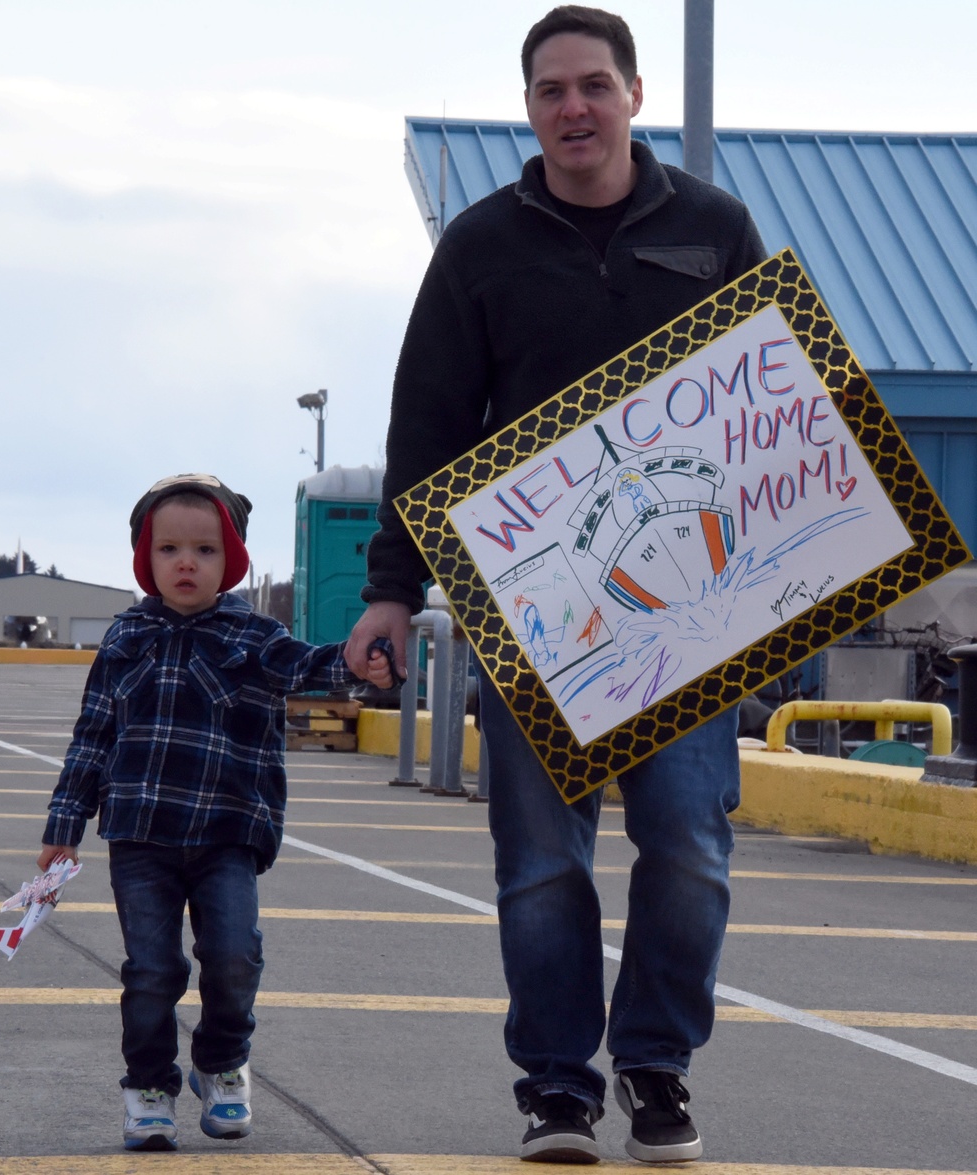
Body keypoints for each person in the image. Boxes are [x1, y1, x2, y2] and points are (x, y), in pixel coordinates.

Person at [346, 5, 767, 1165]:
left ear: (634, 95)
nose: (572, 107)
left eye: (593, 84)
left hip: (700, 608)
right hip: (535, 614)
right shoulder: (481, 244)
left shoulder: (714, 228)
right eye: (549, 90)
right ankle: (556, 1088)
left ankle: (656, 1065)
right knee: (540, 861)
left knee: (688, 843)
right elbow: (425, 426)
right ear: (529, 107)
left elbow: (773, 412)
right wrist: (391, 587)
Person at [39, 473, 393, 1152]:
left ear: (230, 560)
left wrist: (363, 665)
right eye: (168, 547)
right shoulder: (123, 638)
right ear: (146, 559)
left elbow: (314, 665)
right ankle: (148, 1085)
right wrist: (63, 828)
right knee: (151, 970)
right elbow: (91, 737)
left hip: (228, 833)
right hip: (140, 836)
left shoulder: (255, 635)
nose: (185, 562)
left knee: (234, 957)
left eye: (204, 549)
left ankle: (221, 1059)